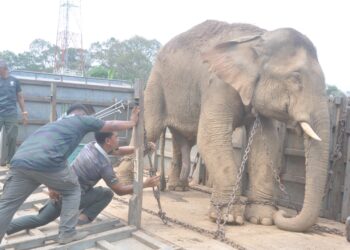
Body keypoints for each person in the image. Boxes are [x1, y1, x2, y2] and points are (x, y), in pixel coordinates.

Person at [0, 103, 140, 245]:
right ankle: (67, 232)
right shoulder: (81, 120)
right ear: (86, 115)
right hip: (48, 164)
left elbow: (115, 150)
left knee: (7, 206)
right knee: (73, 189)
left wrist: (51, 185)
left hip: (20, 161)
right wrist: (132, 122)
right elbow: (111, 125)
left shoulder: (60, 126)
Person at [6, 130, 160, 234]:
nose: (118, 139)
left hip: (61, 191)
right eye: (116, 137)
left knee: (39, 219)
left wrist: (141, 148)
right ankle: (81, 220)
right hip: (71, 197)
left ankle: (6, 227)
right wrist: (144, 184)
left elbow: (118, 150)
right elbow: (119, 190)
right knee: (106, 193)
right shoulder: (103, 164)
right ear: (108, 141)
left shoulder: (91, 146)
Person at [0, 59, 28, 165]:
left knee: (12, 137)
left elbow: (20, 97)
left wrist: (24, 113)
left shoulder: (15, 81)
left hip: (11, 113)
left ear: (4, 68)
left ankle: (10, 161)